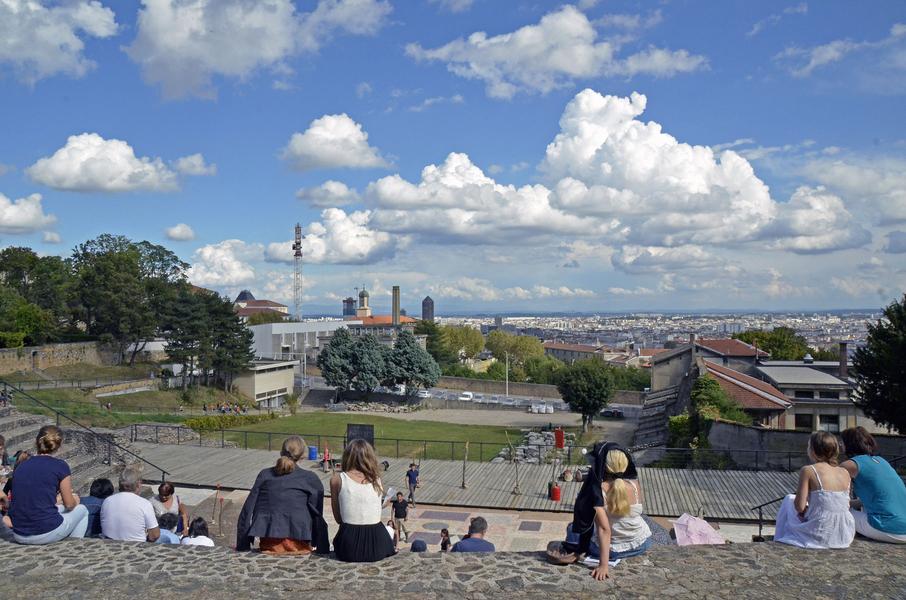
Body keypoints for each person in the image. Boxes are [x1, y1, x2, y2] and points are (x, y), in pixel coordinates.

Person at [547, 442, 650, 581]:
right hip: (642, 543)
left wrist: (603, 565)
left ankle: (572, 553)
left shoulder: (598, 491)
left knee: (572, 528)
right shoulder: (634, 484)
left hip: (614, 551)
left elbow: (604, 529)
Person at [236, 436, 329, 555]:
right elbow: (317, 514)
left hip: (269, 540)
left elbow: (247, 509)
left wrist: (243, 544)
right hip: (300, 539)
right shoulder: (310, 478)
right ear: (302, 455)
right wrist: (322, 546)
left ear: (281, 452)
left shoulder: (265, 475)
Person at [8, 425, 89, 544]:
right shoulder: (60, 466)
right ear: (59, 445)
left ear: (37, 441)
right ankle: (74, 545)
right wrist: (75, 500)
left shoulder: (21, 465)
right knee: (82, 510)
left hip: (19, 533)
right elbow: (69, 504)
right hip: (44, 532)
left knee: (58, 509)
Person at [774, 431, 855, 549]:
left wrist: (805, 510)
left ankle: (778, 539)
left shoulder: (808, 470)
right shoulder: (845, 472)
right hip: (843, 533)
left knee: (788, 499)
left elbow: (799, 507)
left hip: (819, 531)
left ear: (813, 451)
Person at [329, 439, 395, 562]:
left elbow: (338, 519)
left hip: (349, 547)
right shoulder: (377, 479)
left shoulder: (337, 479)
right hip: (378, 545)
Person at [841, 426, 906, 543]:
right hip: (902, 527)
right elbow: (879, 497)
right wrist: (851, 503)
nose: (841, 445)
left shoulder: (850, 465)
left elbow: (834, 497)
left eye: (842, 442)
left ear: (848, 445)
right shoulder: (882, 461)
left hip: (889, 529)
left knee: (838, 513)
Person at [101, 466, 160, 542]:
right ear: (138, 484)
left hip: (109, 544)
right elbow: (154, 535)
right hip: (135, 545)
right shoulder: (144, 504)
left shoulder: (107, 501)